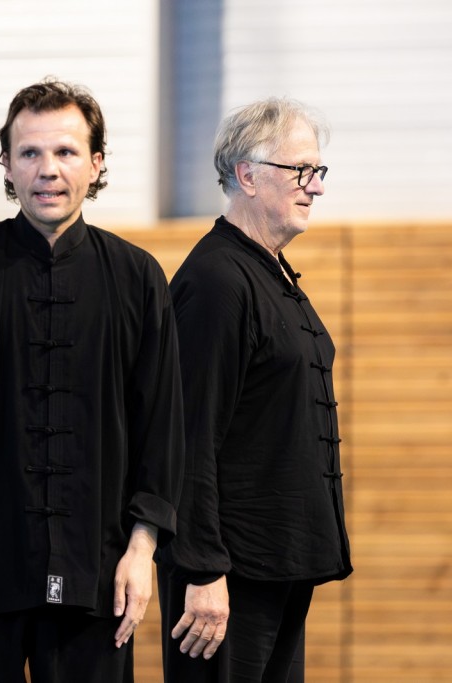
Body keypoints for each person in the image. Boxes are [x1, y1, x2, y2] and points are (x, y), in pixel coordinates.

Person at [0, 78, 184, 683]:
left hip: (97, 576)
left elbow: (160, 426)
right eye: (29, 152)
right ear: (6, 163)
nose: (47, 169)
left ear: (96, 163)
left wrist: (142, 550)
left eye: (65, 151)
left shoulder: (137, 279)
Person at [156, 98, 353, 683]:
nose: (315, 187)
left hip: (279, 568)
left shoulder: (269, 272)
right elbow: (187, 438)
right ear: (247, 174)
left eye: (318, 171)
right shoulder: (217, 281)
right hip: (228, 579)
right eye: (301, 170)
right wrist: (202, 570)